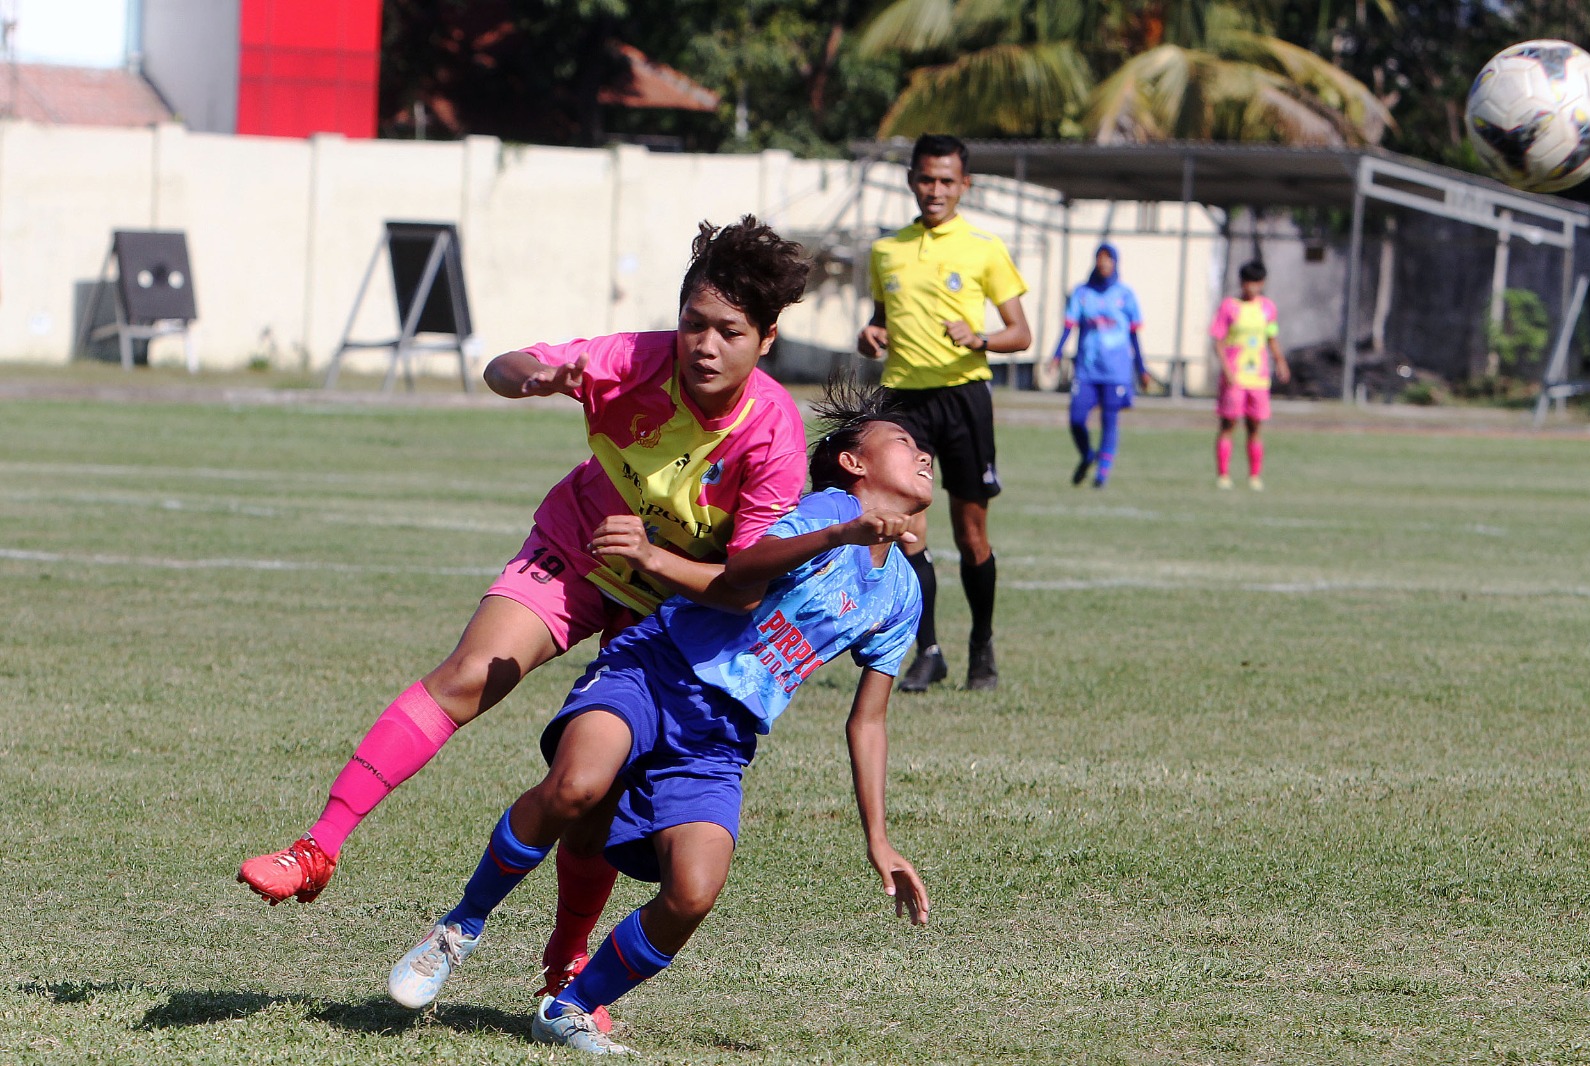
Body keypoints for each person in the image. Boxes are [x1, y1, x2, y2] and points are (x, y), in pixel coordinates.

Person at [237, 216, 813, 1020]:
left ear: (768, 339)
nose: (704, 346)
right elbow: (503, 367)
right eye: (692, 324)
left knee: (594, 791)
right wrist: (534, 376)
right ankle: (317, 848)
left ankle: (564, 963)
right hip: (579, 546)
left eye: (729, 332)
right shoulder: (636, 360)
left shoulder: (776, 438)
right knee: (470, 675)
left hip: (674, 608)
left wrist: (653, 560)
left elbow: (742, 590)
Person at [384, 379, 933, 1056]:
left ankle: (572, 1008)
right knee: (578, 785)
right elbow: (739, 580)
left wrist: (878, 838)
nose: (924, 454)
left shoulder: (903, 595)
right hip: (655, 667)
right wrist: (840, 531)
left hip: (720, 736)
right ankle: (459, 928)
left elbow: (868, 722)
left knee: (694, 893)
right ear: (854, 462)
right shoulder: (820, 511)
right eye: (903, 441)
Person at [856, 132, 1031, 694]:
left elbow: (1021, 334)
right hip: (904, 402)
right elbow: (881, 317)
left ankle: (981, 645)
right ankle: (927, 650)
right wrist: (872, 333)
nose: (936, 190)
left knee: (971, 533)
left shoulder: (984, 248)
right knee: (906, 532)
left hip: (963, 398)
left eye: (947, 181)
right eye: (927, 179)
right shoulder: (887, 251)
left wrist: (980, 336)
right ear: (912, 180)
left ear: (965, 185)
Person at [1052, 242, 1149, 489]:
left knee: (1109, 420)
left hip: (1116, 371)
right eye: (1100, 258)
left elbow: (1134, 335)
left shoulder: (1125, 295)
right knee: (1076, 418)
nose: (1104, 263)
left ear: (1115, 263)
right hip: (1087, 369)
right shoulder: (1083, 293)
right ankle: (1086, 455)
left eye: (1108, 259)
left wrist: (1142, 368)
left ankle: (1102, 474)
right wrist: (1056, 354)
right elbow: (1069, 326)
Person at [1210, 259, 1289, 491]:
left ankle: (1254, 476)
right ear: (1242, 283)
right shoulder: (1229, 307)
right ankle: (1223, 474)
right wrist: (1227, 370)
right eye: (1248, 282)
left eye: (1256, 282)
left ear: (1262, 283)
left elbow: (1271, 337)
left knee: (1255, 427)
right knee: (1228, 425)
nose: (1252, 287)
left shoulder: (1267, 308)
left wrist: (1280, 361)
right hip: (1235, 376)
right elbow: (1218, 341)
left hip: (1258, 378)